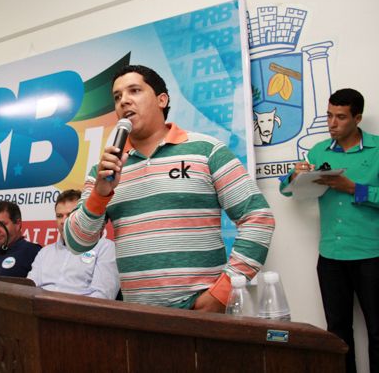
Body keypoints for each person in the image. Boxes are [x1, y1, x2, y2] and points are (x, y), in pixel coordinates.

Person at [64, 64, 275, 312]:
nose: (124, 101)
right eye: (117, 96)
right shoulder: (104, 170)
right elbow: (76, 243)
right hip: (139, 315)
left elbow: (258, 218)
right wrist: (100, 195)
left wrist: (222, 293)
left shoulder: (206, 150)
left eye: (134, 90)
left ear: (162, 100)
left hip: (202, 314)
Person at [279, 88, 378, 373]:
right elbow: (287, 191)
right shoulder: (318, 151)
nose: (332, 123)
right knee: (336, 332)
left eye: (341, 117)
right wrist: (295, 176)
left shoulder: (377, 150)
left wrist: (355, 189)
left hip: (371, 255)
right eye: (329, 115)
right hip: (331, 256)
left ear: (357, 118)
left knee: (377, 331)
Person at [28, 189, 119, 299]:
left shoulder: (105, 248)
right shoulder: (45, 252)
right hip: (39, 307)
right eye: (59, 216)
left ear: (82, 217)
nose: (63, 221)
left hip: (78, 309)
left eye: (70, 215)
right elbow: (29, 289)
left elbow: (102, 296)